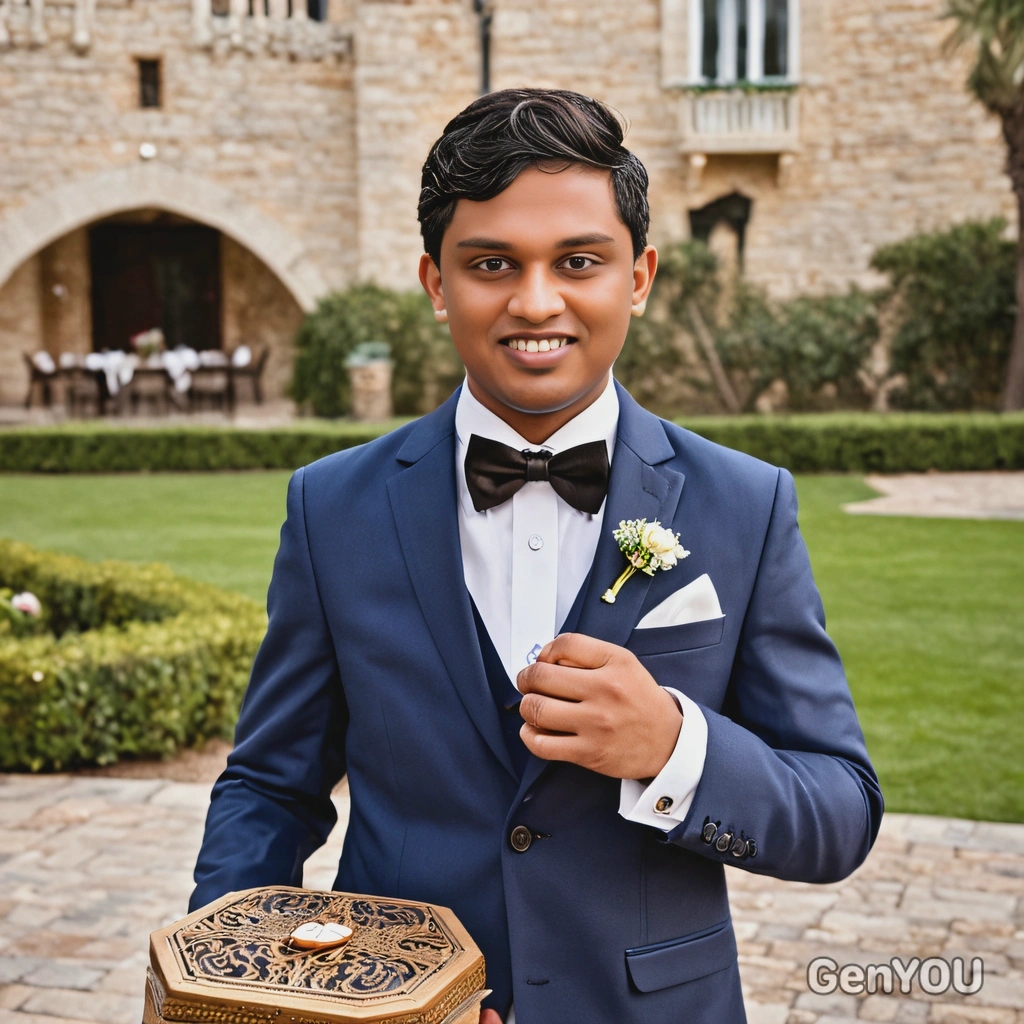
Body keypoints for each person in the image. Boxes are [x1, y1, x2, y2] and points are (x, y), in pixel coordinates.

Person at [190, 88, 883, 1024]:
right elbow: (271, 785)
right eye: (491, 264)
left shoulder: (745, 504)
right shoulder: (332, 506)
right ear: (437, 283)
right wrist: (238, 980)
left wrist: (673, 748)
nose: (536, 301)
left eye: (579, 261)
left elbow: (838, 809)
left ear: (637, 277)